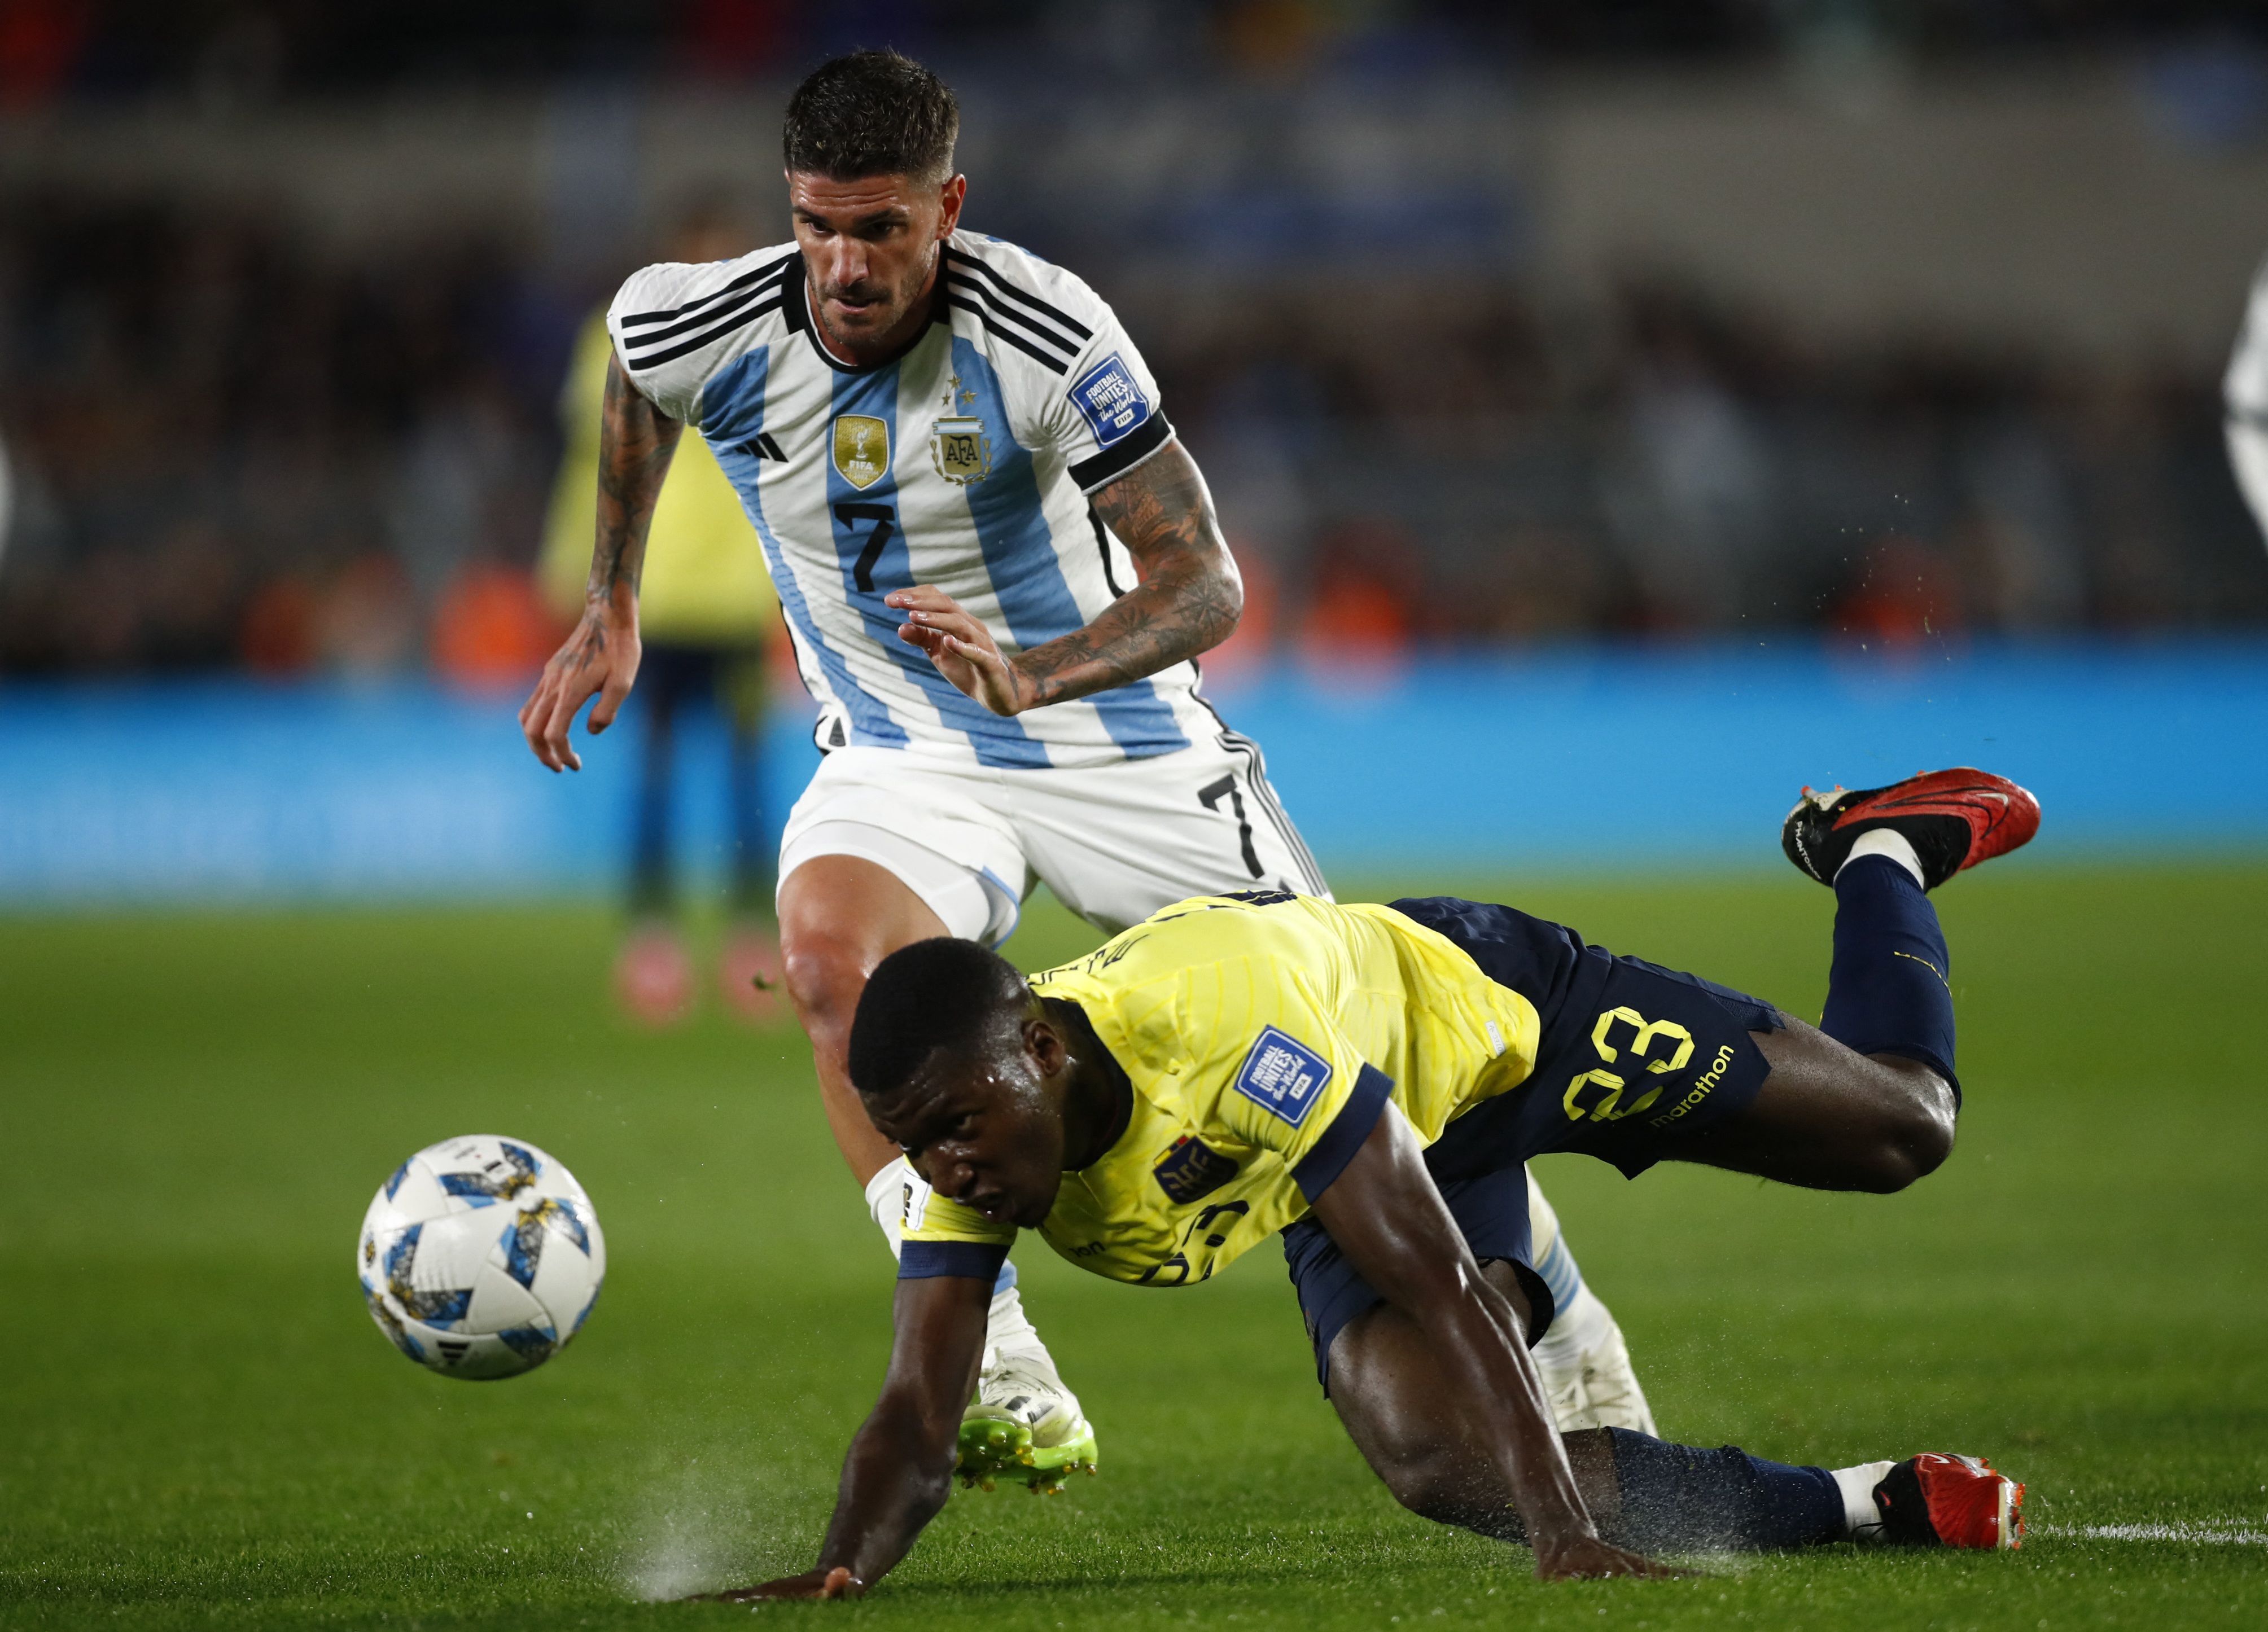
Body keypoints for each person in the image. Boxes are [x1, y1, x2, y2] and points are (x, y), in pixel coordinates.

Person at [518, 47, 1653, 1485]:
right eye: (815, 223)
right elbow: (633, 377)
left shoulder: (1047, 332)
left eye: (879, 227)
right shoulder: (709, 320)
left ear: (948, 208)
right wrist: (612, 598)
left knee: (1375, 1055)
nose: (843, 265)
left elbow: (1206, 584)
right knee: (825, 968)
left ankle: (1570, 1347)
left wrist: (1036, 670)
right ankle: (996, 1353)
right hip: (906, 747)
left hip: (1111, 742)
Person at [707, 768, 2039, 1598]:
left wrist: (1559, 1530)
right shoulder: (969, 1148)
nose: (944, 1167)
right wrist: (836, 1567)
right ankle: (1871, 1504)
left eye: (956, 1127)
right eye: (914, 1141)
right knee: (1427, 1453)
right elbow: (915, 1419)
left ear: (1041, 1051)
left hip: (1492, 1026)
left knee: (1902, 1132)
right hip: (1336, 1161)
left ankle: (1876, 852)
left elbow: (1434, 1281)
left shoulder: (1230, 1032)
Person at [540, 206, 785, 1026]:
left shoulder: (771, 336)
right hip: (652, 599)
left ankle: (753, 939)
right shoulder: (618, 339)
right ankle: (653, 940)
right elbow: (594, 464)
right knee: (653, 768)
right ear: (677, 257)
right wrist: (576, 579)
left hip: (737, 596)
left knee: (747, 774)